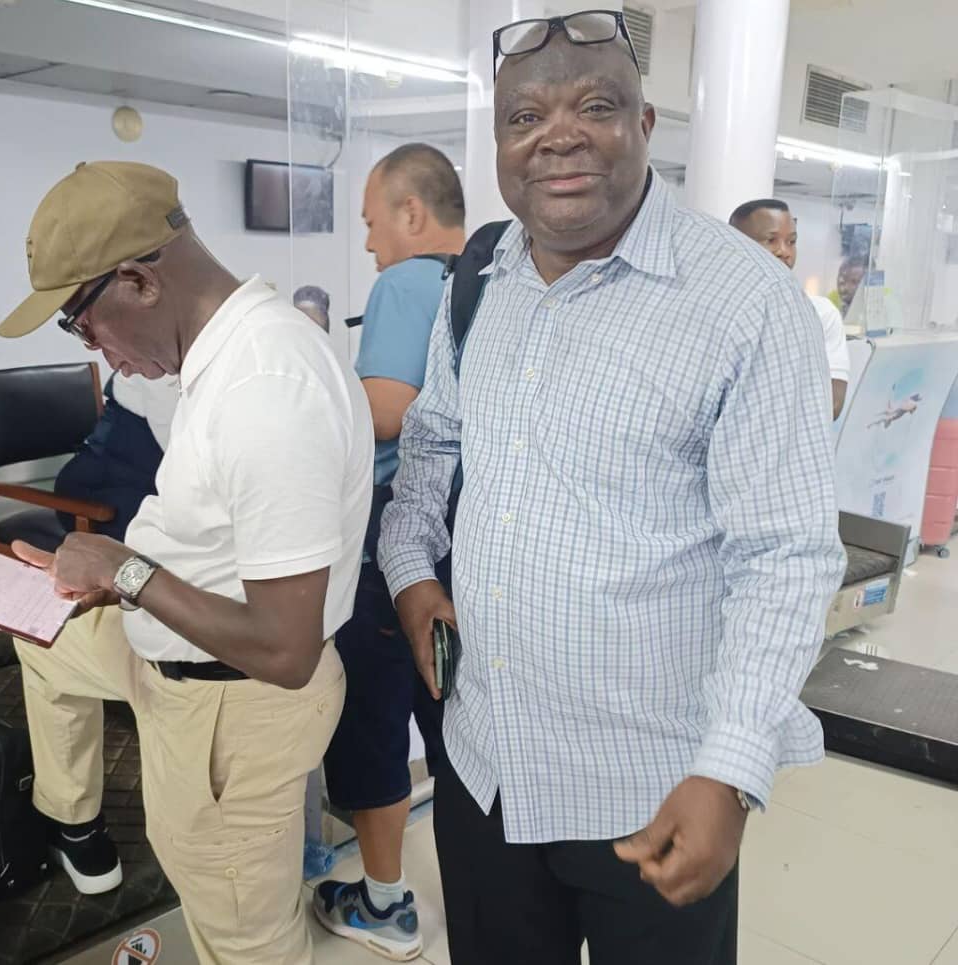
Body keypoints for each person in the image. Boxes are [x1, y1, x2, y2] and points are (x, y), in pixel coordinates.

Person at [379, 13, 846, 965]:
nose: (557, 135)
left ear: (647, 122)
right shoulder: (481, 281)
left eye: (595, 105)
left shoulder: (744, 305)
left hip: (649, 793)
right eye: (524, 117)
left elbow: (786, 557)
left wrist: (730, 768)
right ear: (501, 143)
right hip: (484, 771)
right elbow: (430, 447)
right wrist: (410, 574)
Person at [0, 160, 373, 964]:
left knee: (245, 937)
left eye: (78, 321)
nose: (92, 349)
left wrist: (125, 570)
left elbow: (283, 646)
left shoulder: (264, 386)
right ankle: (75, 816)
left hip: (232, 704)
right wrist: (111, 581)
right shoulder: (226, 354)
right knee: (39, 636)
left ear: (136, 280)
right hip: (175, 655)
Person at [313, 143, 465, 961]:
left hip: (394, 536)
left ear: (412, 214)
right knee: (454, 721)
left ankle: (385, 904)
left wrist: (317, 375)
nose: (371, 245)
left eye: (373, 224)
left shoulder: (409, 281)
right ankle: (483, 897)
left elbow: (385, 413)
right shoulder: (495, 278)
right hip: (471, 539)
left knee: (372, 717)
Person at [730, 198, 851, 419]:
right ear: (736, 245)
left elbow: (832, 405)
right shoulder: (718, 312)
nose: (784, 251)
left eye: (791, 241)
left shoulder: (820, 313)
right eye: (771, 240)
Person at [53, 371, 179, 539]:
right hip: (94, 495)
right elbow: (179, 450)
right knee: (188, 533)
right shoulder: (151, 365)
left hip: (147, 489)